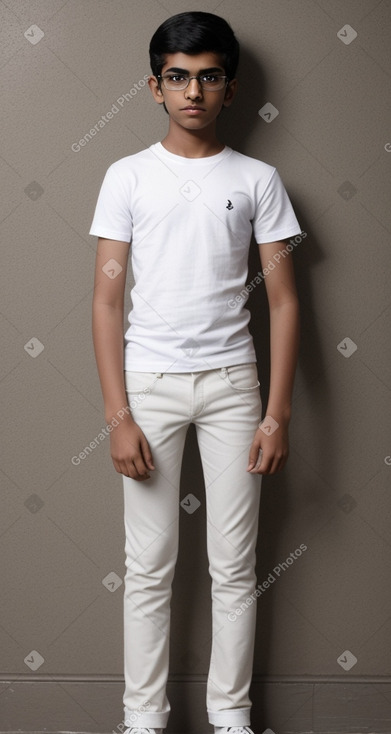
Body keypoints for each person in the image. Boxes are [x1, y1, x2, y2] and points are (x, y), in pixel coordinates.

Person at [89, 11, 302, 734]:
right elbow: (106, 299)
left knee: (232, 567)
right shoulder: (126, 176)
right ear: (154, 86)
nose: (193, 91)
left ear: (229, 89)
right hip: (147, 387)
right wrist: (117, 416)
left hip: (232, 390)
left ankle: (230, 717)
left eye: (208, 77)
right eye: (177, 77)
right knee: (148, 567)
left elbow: (282, 299)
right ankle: (142, 720)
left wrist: (276, 415)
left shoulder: (258, 179)